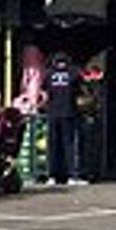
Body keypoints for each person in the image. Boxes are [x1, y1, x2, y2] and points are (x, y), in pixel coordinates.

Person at [45, 51, 80, 186]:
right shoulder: (73, 73)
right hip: (68, 112)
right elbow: (79, 90)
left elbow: (45, 92)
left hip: (52, 113)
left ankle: (52, 176)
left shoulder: (48, 74)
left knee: (53, 146)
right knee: (69, 144)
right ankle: (71, 175)